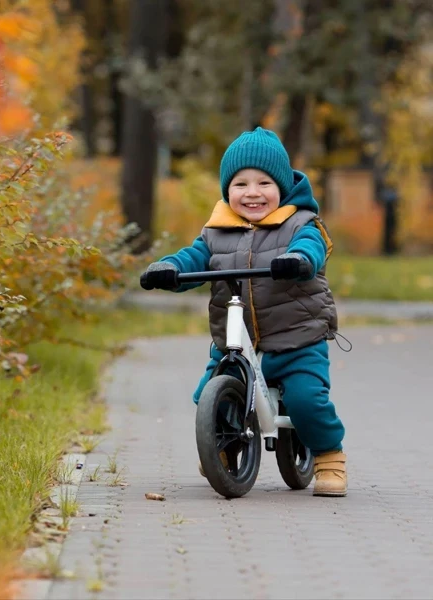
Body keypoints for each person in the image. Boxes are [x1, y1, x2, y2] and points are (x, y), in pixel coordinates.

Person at [141, 127, 347, 497]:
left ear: (281, 187)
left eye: (264, 183)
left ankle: (329, 456)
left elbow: (312, 247)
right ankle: (220, 446)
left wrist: (299, 260)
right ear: (227, 190)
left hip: (296, 339)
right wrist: (169, 268)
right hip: (234, 341)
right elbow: (194, 258)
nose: (252, 192)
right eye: (241, 184)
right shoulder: (216, 232)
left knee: (305, 400)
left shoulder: (301, 223)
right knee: (207, 395)